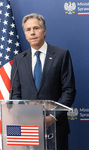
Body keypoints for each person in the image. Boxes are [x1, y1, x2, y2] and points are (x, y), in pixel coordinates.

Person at [11, 13, 76, 150]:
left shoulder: (61, 55)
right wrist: (23, 116)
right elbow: (15, 93)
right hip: (27, 128)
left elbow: (69, 91)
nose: (32, 33)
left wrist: (53, 116)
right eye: (28, 30)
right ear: (24, 33)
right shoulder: (19, 59)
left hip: (56, 128)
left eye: (36, 28)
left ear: (44, 30)